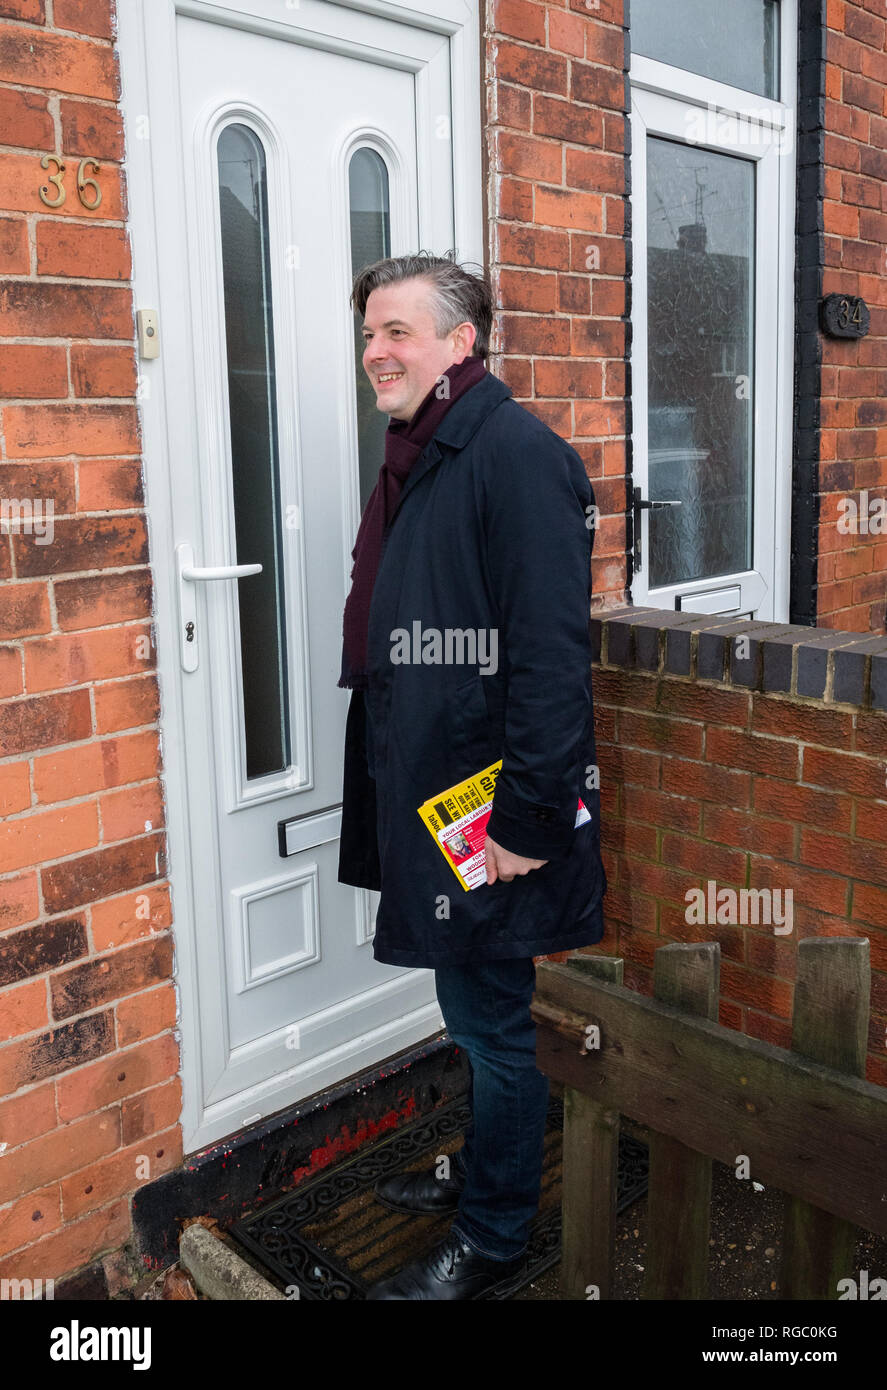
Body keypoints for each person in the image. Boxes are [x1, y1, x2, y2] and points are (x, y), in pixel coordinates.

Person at [336, 250, 607, 1300]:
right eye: (368, 334)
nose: (376, 353)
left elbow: (549, 657)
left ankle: (492, 1238)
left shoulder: (513, 456)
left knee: (493, 1024)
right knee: (469, 1009)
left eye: (397, 331)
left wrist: (528, 819)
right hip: (433, 780)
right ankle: (477, 1171)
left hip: (491, 812)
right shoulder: (424, 447)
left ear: (461, 342)